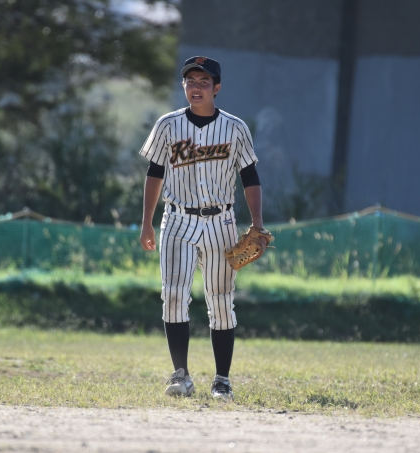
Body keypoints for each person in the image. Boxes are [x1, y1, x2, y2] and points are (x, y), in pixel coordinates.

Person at [138, 56, 269, 400]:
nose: (196, 87)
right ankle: (180, 375)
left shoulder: (235, 128)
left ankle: (222, 379)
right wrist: (146, 222)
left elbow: (249, 176)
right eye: (190, 81)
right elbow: (155, 173)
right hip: (177, 219)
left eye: (204, 82)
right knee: (173, 295)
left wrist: (257, 224)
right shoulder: (168, 125)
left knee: (221, 301)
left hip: (220, 221)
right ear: (184, 86)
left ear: (217, 88)